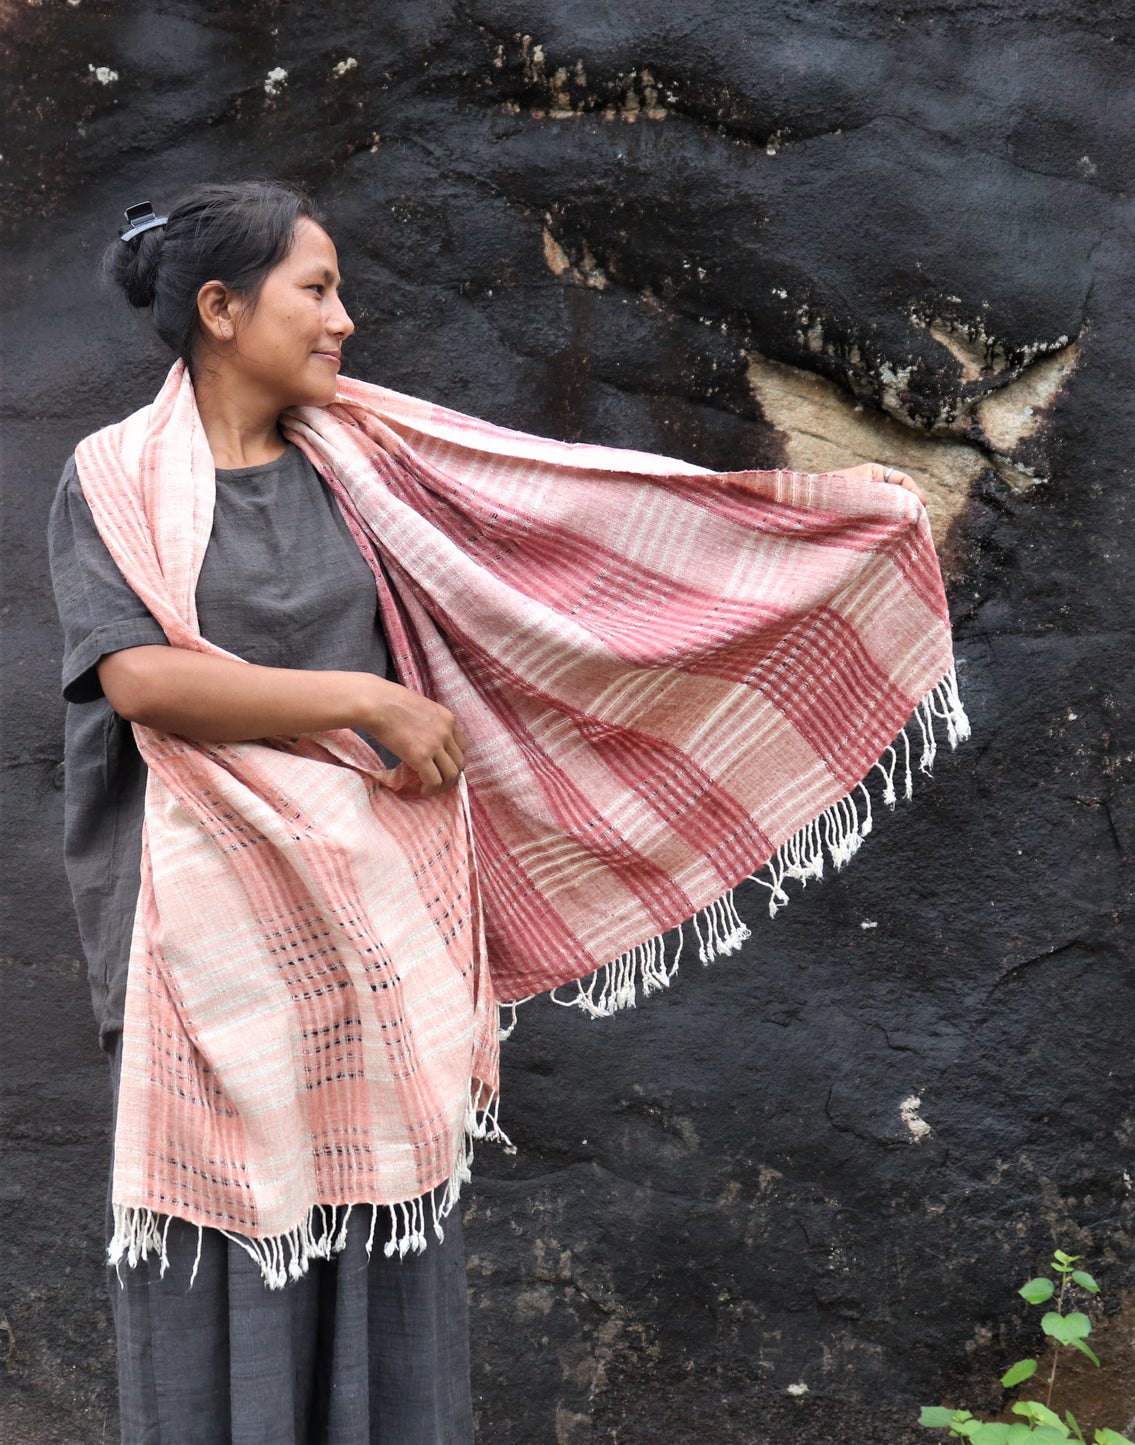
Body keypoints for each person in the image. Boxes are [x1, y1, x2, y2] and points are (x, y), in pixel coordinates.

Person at [48, 178, 963, 1444]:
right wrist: (362, 697)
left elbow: (559, 531)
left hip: (371, 934)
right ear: (219, 307)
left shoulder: (372, 464)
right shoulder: (116, 482)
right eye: (315, 290)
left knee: (380, 1243)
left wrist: (820, 537)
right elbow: (141, 677)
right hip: (203, 951)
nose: (344, 320)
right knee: (228, 1258)